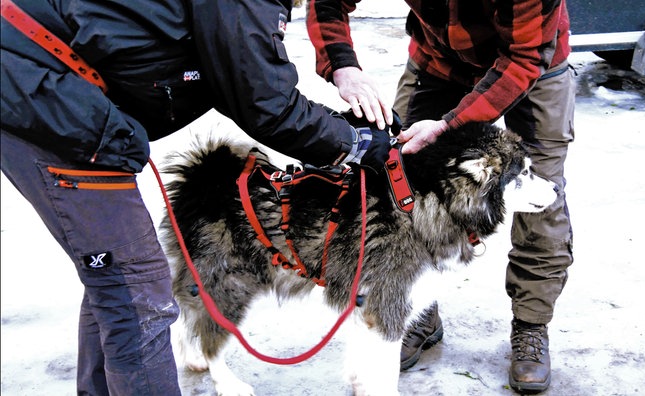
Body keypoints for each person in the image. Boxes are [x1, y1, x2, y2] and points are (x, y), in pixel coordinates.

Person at [0, 0, 391, 394]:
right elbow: (263, 100)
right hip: (41, 92)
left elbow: (236, 74)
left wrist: (339, 128)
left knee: (117, 276)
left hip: (49, 88)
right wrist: (356, 144)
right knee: (137, 291)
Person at [307, 0, 575, 393]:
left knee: (539, 197)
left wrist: (451, 125)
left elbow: (525, 58)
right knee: (397, 185)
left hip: (532, 67)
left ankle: (531, 325)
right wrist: (341, 64)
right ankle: (418, 315)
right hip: (438, 63)